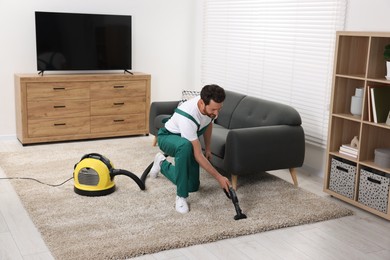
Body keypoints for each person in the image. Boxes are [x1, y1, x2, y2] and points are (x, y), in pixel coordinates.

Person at [149, 84, 231, 213]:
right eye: (214, 109)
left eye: (219, 109)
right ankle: (181, 196)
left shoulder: (211, 108)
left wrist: (208, 148)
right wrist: (219, 177)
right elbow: (198, 155)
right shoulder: (188, 115)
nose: (217, 113)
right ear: (202, 103)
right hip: (167, 137)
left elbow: (209, 123)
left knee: (192, 186)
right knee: (185, 146)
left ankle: (161, 164)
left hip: (186, 140)